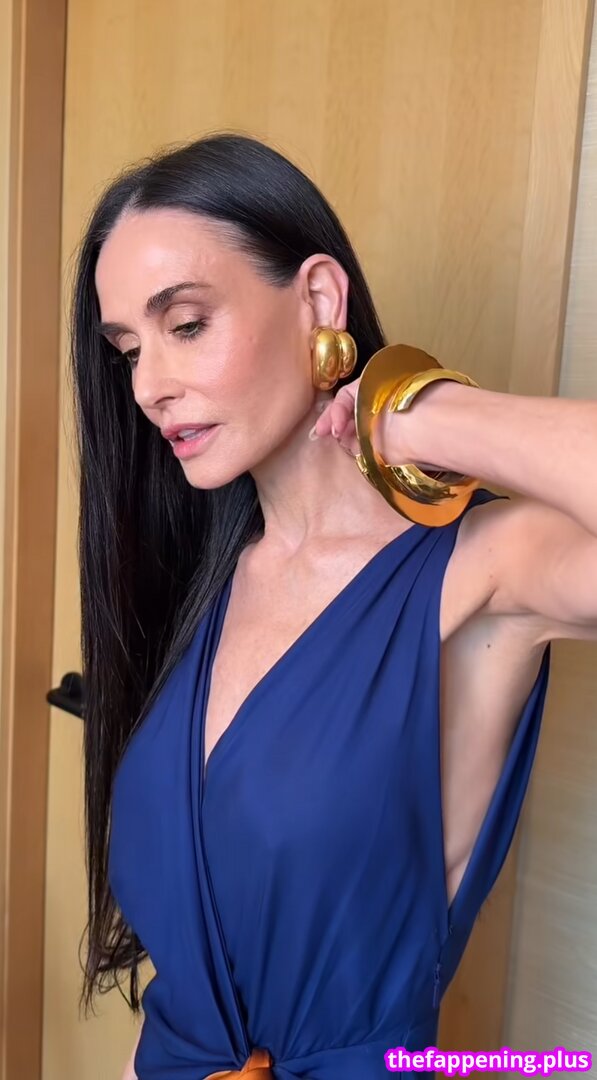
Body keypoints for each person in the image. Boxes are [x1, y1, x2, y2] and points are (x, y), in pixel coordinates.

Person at [70, 132, 597, 1080]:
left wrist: (422, 414)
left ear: (318, 299)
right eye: (128, 352)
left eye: (184, 325)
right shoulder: (197, 583)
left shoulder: (479, 572)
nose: (148, 387)